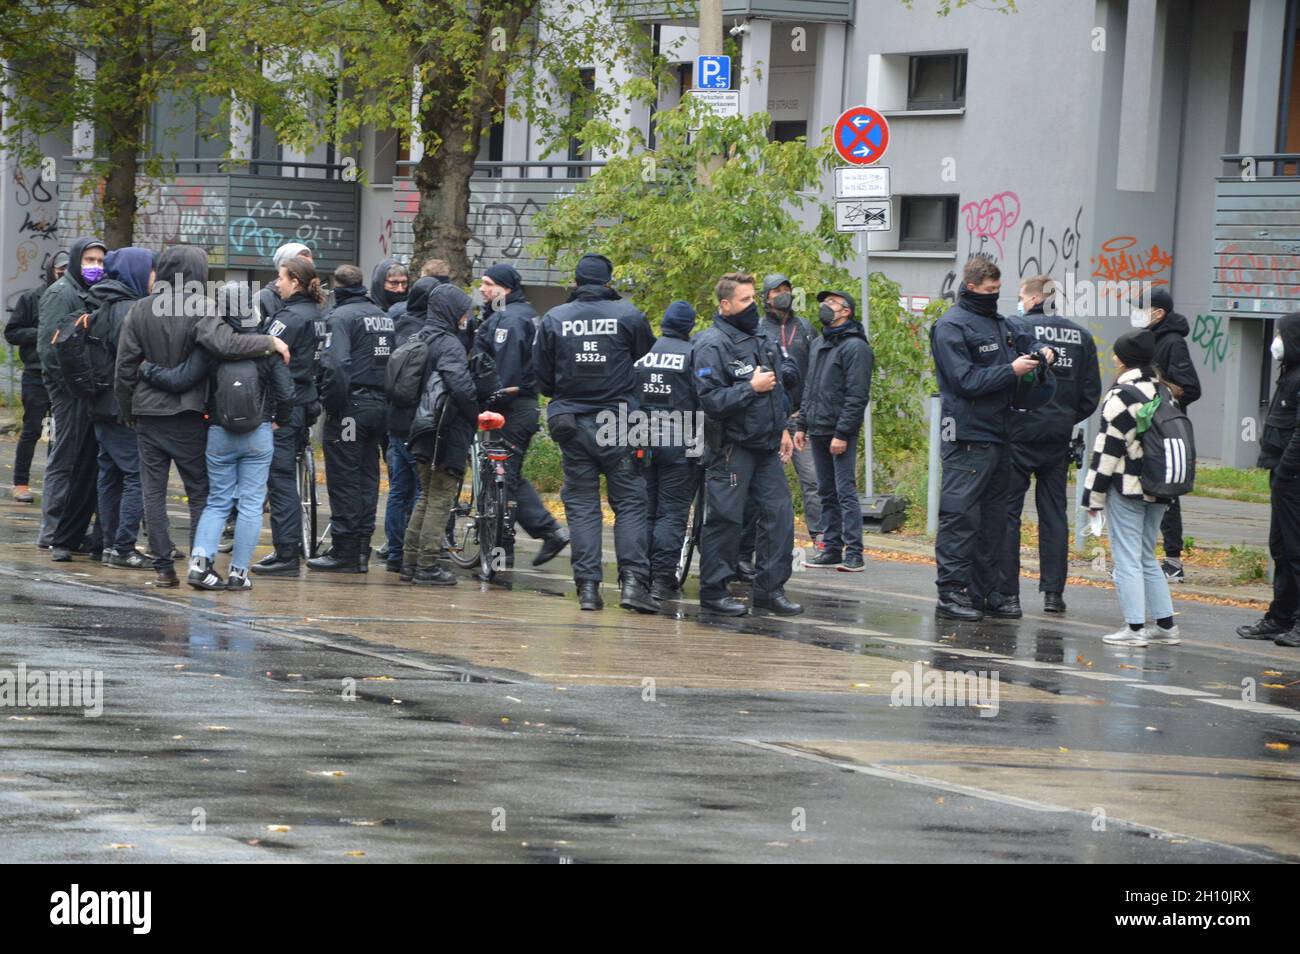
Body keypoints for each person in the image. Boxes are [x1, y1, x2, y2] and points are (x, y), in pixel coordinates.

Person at [115, 245, 288, 587]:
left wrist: (128, 410)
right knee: (201, 494)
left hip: (147, 413)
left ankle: (164, 568)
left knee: (153, 493)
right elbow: (226, 344)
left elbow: (124, 367)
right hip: (189, 413)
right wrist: (269, 343)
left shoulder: (139, 309)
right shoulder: (202, 307)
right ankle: (200, 563)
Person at [930, 255, 1053, 621]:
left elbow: (1022, 336)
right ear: (970, 287)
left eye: (999, 290)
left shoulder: (1000, 323)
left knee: (995, 521)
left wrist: (1039, 352)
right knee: (960, 518)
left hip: (1001, 435)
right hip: (967, 436)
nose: (995, 295)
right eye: (989, 290)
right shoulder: (951, 326)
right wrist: (1011, 370)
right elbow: (964, 381)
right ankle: (951, 593)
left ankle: (990, 592)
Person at [534, 253, 657, 612]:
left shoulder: (554, 318)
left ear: (575, 281)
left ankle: (588, 589)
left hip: (571, 424)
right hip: (619, 422)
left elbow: (541, 376)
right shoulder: (628, 315)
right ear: (608, 282)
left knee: (583, 507)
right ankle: (633, 584)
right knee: (631, 504)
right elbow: (644, 353)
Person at [694, 272, 802, 617]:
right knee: (726, 520)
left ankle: (769, 589)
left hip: (765, 445)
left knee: (780, 516)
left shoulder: (760, 337)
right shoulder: (711, 344)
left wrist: (783, 428)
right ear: (725, 305)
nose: (752, 305)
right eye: (745, 300)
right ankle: (714, 590)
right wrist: (749, 388)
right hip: (731, 447)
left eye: (754, 298)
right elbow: (710, 401)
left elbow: (778, 390)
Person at [1000, 275, 1102, 613]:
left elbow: (1003, 377)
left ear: (1030, 298)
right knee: (1054, 514)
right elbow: (1089, 396)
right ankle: (1054, 595)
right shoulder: (1081, 336)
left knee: (1008, 514)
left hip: (1016, 431)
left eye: (1020, 296)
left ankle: (1009, 595)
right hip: (1057, 437)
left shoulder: (1015, 327)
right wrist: (1063, 418)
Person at [1082, 330, 1180, 647]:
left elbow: (1107, 452)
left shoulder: (1120, 395)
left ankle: (1134, 629)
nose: (1113, 358)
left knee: (1126, 559)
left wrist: (1092, 497)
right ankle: (1166, 627)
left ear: (1123, 359)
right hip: (1161, 485)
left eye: (1116, 354)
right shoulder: (1164, 391)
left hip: (1127, 486)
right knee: (1147, 556)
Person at [473, 262, 568, 568]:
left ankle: (544, 531)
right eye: (482, 283)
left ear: (506, 288)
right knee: (504, 478)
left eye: (489, 284)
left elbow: (506, 374)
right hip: (517, 407)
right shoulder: (514, 314)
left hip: (510, 409)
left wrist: (490, 402)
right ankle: (502, 548)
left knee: (504, 478)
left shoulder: (510, 321)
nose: (483, 289)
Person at [309, 264, 394, 573]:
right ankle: (361, 549)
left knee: (344, 479)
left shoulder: (340, 318)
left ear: (337, 288)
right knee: (368, 478)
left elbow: (335, 366)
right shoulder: (383, 317)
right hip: (379, 406)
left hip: (350, 408)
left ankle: (344, 550)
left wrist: (332, 404)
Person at [250, 256, 326, 576]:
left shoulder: (290, 317)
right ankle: (288, 550)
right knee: (287, 478)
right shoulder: (320, 314)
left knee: (280, 481)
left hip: (285, 406)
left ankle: (285, 553)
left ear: (295, 281)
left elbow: (265, 356)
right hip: (306, 401)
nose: (277, 283)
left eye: (280, 278)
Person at [401, 283, 479, 584]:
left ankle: (410, 561)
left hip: (420, 428)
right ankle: (428, 564)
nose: (465, 317)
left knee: (425, 495)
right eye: (463, 311)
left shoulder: (418, 337)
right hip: (444, 430)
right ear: (451, 312)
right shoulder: (449, 345)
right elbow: (460, 385)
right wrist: (476, 413)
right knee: (441, 497)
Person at [84, 247, 155, 569]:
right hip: (121, 405)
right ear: (137, 273)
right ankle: (124, 546)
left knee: (109, 473)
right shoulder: (131, 310)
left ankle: (107, 543)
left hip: (99, 402)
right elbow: (131, 363)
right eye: (151, 271)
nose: (154, 278)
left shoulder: (101, 302)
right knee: (136, 475)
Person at [38, 236, 107, 560]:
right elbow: (51, 348)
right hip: (68, 390)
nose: (95, 267)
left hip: (83, 388)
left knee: (81, 459)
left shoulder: (87, 291)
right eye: (89, 260)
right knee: (65, 457)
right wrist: (69, 386)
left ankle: (70, 529)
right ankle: (52, 529)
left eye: (99, 261)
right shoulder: (61, 293)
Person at [796, 290, 874, 573]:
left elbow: (857, 396)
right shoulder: (819, 343)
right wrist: (802, 424)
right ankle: (831, 548)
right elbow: (810, 388)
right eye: (824, 303)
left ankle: (854, 553)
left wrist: (842, 433)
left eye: (832, 304)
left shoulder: (856, 348)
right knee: (825, 490)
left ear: (846, 312)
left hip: (839, 431)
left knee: (845, 491)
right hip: (816, 428)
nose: (825, 308)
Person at [1237, 312, 1300, 648]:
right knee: (1281, 548)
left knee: (1295, 550)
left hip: (1293, 477)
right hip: (1283, 474)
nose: (1275, 341)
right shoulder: (1288, 373)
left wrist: (1287, 471)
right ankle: (1281, 617)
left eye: (1281, 334)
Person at [634, 300, 700, 601]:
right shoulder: (693, 355)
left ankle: (639, 573)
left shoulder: (642, 352)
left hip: (641, 438)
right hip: (680, 440)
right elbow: (705, 402)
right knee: (672, 513)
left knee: (645, 510)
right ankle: (662, 578)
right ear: (690, 327)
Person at [1139, 288, 1200, 583]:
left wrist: (1158, 389)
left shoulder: (1173, 342)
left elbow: (1190, 388)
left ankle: (1173, 562)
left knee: (1166, 494)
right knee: (1146, 492)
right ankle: (1141, 560)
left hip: (1166, 430)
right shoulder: (1149, 338)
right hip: (1148, 428)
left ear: (1158, 312)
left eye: (1141, 308)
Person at [382, 274, 442, 572]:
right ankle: (415, 556)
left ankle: (394, 553)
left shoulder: (399, 324)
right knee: (423, 492)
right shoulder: (433, 337)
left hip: (395, 420)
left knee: (398, 490)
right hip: (420, 424)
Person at [758, 273, 821, 543]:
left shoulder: (806, 328)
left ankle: (821, 537)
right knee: (765, 484)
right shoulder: (758, 328)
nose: (782, 294)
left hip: (800, 419)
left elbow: (817, 371)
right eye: (776, 290)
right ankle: (764, 538)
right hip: (768, 420)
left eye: (787, 289)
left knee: (814, 481)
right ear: (766, 297)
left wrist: (806, 413)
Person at [5, 251, 66, 503]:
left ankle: (54, 485)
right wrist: (41, 332)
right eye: (59, 269)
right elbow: (13, 332)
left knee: (58, 433)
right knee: (31, 430)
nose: (62, 273)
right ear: (51, 269)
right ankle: (20, 483)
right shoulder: (31, 299)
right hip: (35, 374)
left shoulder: (73, 299)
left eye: (67, 269)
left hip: (62, 375)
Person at [253, 242, 312, 326]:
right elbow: (248, 334)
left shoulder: (319, 298)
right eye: (303, 265)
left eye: (310, 266)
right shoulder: (262, 298)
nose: (309, 270)